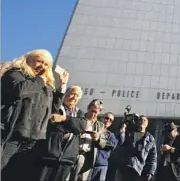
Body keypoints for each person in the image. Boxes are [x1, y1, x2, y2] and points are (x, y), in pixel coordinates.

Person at [1, 50, 68, 181]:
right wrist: (40, 80)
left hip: (33, 138)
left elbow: (53, 108)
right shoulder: (15, 73)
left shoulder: (45, 84)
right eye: (39, 61)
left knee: (17, 174)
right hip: (13, 134)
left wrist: (62, 87)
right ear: (27, 59)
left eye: (46, 64)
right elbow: (19, 90)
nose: (42, 66)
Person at [38, 85, 88, 181]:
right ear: (65, 94)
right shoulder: (56, 107)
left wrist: (63, 118)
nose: (74, 97)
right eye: (72, 94)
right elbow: (53, 123)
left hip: (67, 159)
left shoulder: (80, 113)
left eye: (77, 96)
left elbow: (81, 126)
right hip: (50, 155)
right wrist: (71, 125)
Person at [69, 99, 107, 181]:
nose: (93, 114)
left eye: (96, 112)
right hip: (72, 153)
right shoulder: (79, 118)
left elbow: (104, 144)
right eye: (92, 111)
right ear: (88, 108)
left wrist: (97, 139)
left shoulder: (100, 126)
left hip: (86, 158)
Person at [115, 115, 157, 181]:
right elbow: (120, 142)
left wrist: (151, 172)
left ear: (147, 124)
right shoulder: (128, 132)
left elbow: (153, 157)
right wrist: (122, 129)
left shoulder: (150, 138)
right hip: (124, 167)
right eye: (140, 119)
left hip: (140, 170)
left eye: (144, 120)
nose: (142, 121)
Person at [88, 112, 118, 181]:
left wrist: (99, 139)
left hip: (101, 166)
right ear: (101, 118)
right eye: (107, 118)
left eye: (111, 120)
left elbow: (112, 145)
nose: (108, 121)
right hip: (88, 164)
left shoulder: (110, 135)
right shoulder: (92, 128)